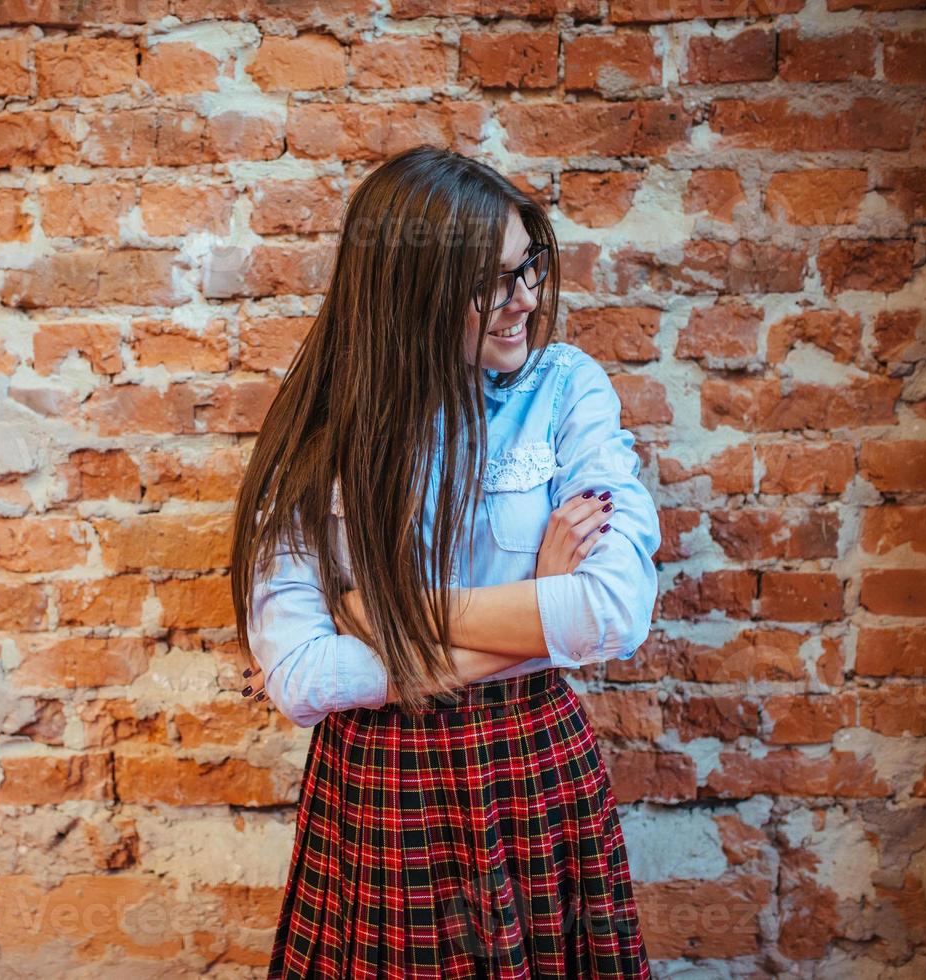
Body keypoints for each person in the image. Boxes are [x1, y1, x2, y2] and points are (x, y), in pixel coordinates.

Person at [229, 145, 660, 978]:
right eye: (492, 281)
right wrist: (536, 607)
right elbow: (303, 679)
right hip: (384, 790)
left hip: (533, 773)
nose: (525, 300)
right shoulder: (323, 441)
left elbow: (612, 613)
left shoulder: (565, 390)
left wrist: (386, 611)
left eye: (526, 266)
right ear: (411, 293)